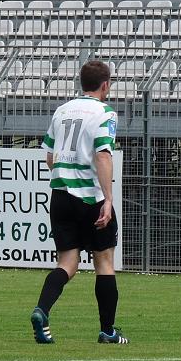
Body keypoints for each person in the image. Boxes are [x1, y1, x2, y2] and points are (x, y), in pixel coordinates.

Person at [30, 60, 129, 345]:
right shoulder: (105, 113)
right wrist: (108, 199)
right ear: (106, 85)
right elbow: (103, 155)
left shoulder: (62, 111)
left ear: (81, 83)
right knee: (105, 262)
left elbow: (50, 156)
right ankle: (108, 331)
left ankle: (42, 310)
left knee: (67, 262)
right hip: (90, 197)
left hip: (60, 194)